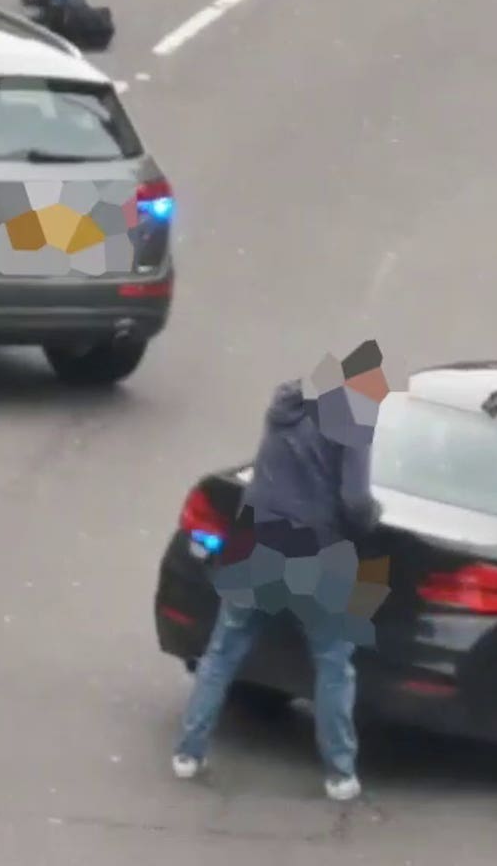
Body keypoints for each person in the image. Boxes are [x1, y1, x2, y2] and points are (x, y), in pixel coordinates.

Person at [170, 341, 390, 804]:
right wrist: (372, 516)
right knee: (332, 664)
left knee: (224, 651)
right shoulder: (353, 419)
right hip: (316, 552)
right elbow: (354, 500)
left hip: (259, 543)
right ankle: (340, 774)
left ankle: (188, 753)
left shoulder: (284, 405)